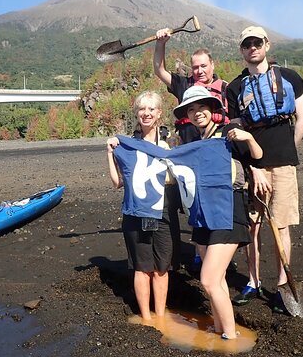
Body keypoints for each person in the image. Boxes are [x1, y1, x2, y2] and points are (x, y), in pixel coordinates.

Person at [226, 26, 303, 313]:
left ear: (267, 44)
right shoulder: (234, 88)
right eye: (247, 44)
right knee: (253, 225)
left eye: (257, 42)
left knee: (282, 226)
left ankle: (283, 286)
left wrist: (288, 149)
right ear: (242, 50)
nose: (252, 48)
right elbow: (235, 131)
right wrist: (254, 167)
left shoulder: (290, 77)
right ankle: (253, 280)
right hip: (253, 167)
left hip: (284, 163)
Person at [172, 85, 262, 339]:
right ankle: (219, 327)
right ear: (187, 116)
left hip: (227, 210)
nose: (197, 112)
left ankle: (231, 336)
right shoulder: (195, 143)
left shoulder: (228, 134)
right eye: (191, 109)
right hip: (202, 214)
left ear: (212, 109)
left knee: (209, 280)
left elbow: (257, 156)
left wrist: (250, 138)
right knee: (218, 278)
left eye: (202, 107)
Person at [153, 30, 231, 270]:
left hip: (216, 159)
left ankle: (219, 255)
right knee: (193, 205)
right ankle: (200, 252)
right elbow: (159, 69)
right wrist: (161, 43)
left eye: (203, 66)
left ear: (212, 65)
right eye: (195, 67)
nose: (200, 71)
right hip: (189, 161)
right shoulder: (184, 85)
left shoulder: (226, 89)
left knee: (217, 205)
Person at [106, 91, 181, 320]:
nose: (146, 113)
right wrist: (110, 153)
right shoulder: (127, 146)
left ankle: (160, 316)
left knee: (161, 268)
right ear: (137, 112)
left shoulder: (171, 143)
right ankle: (147, 318)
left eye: (151, 109)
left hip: (164, 212)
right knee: (141, 267)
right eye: (142, 109)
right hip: (136, 211)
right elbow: (118, 182)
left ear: (159, 113)